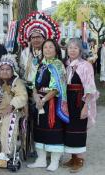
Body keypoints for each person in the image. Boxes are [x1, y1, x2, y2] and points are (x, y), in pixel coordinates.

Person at [18, 11, 61, 156]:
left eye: (38, 37)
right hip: (28, 90)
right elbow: (21, 71)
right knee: (29, 119)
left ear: (44, 38)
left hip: (47, 92)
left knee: (46, 120)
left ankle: (49, 151)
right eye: (33, 37)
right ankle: (31, 147)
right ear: (29, 39)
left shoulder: (49, 53)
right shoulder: (25, 53)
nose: (35, 39)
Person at [27, 39, 69, 172]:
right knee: (39, 129)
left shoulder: (58, 65)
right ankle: (41, 159)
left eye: (51, 47)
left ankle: (55, 160)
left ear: (56, 50)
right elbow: (33, 84)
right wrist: (35, 96)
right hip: (39, 101)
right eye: (45, 47)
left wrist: (43, 99)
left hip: (51, 102)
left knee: (53, 130)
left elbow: (57, 88)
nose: (48, 50)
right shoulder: (41, 64)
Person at [63, 38, 99, 173]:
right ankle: (73, 157)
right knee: (69, 128)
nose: (72, 50)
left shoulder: (86, 65)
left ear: (80, 50)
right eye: (70, 47)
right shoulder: (66, 65)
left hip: (80, 101)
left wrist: (85, 106)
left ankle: (80, 159)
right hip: (69, 102)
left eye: (75, 48)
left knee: (79, 129)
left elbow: (90, 88)